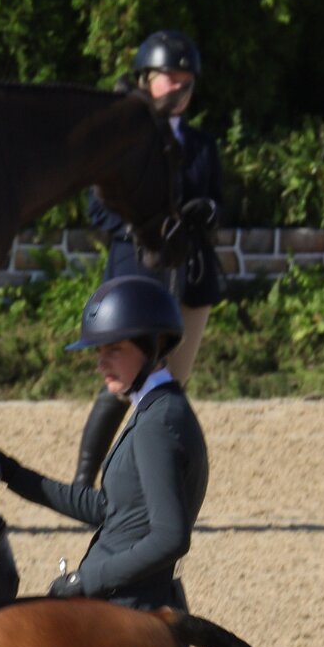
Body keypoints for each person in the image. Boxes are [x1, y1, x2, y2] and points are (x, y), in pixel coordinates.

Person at [74, 28, 226, 489]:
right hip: (136, 272)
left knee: (170, 385)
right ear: (146, 79)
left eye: (186, 81)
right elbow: (98, 209)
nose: (179, 88)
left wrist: (204, 214)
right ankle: (83, 480)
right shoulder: (123, 138)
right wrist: (146, 228)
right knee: (122, 382)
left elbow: (217, 202)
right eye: (170, 79)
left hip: (189, 273)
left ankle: (153, 482)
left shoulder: (202, 145)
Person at [6, 276, 209, 613]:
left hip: (129, 609)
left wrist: (85, 580)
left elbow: (170, 537)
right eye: (99, 351)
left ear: (154, 345)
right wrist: (9, 472)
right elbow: (110, 509)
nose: (101, 363)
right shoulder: (155, 410)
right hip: (123, 601)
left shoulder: (157, 423)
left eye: (114, 350)